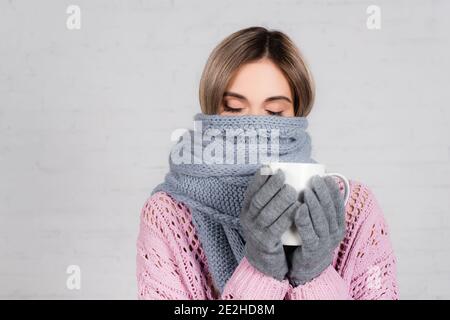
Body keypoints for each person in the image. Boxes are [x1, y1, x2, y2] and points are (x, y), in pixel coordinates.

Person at [136, 26, 398, 300]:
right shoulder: (168, 215)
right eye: (234, 109)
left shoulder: (354, 209)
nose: (254, 128)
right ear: (211, 110)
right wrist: (260, 272)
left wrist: (316, 274)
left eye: (274, 112)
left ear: (298, 112)